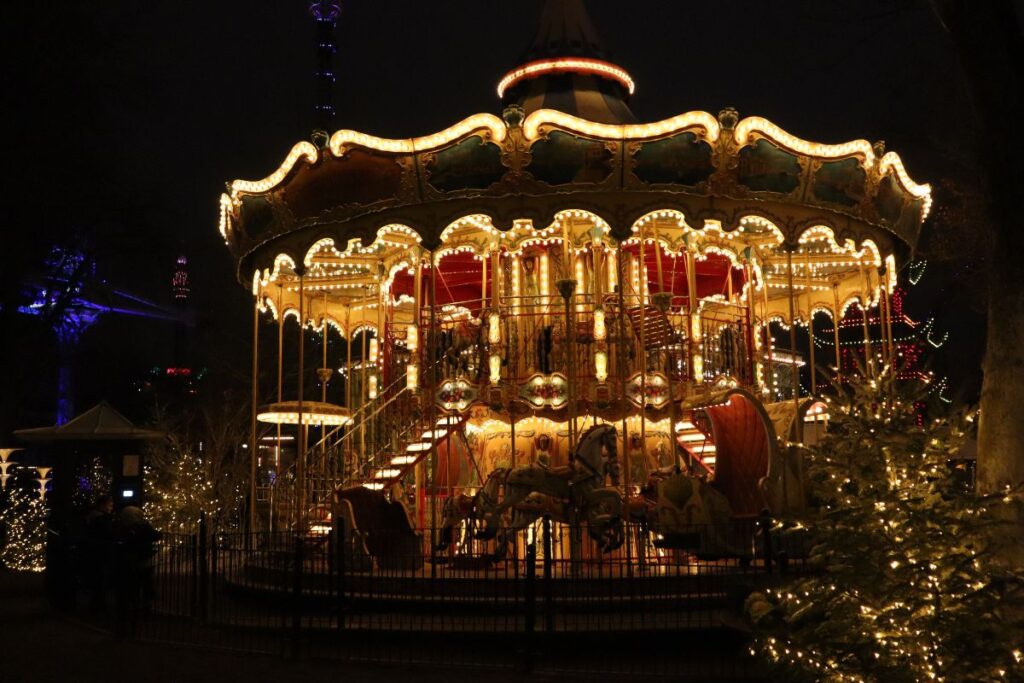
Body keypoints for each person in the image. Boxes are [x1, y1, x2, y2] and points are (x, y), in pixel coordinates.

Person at [115, 506, 161, 614]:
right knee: (145, 584)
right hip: (143, 559)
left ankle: (131, 606)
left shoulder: (121, 526)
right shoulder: (142, 526)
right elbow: (156, 536)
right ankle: (144, 608)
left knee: (132, 585)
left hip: (127, 560)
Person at [83, 494, 115, 613]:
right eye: (109, 505)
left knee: (96, 581)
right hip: (100, 552)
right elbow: (108, 534)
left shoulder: (91, 517)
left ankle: (95, 606)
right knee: (100, 581)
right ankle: (99, 608)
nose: (111, 508)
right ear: (103, 505)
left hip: (93, 552)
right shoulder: (101, 519)